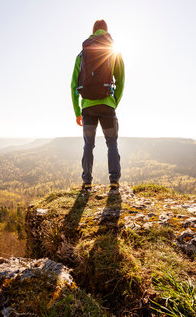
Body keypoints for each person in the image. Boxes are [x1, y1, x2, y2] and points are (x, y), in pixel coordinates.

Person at [71, 19, 125, 190]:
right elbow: (121, 79)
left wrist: (77, 111)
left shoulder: (82, 54)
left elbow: (73, 85)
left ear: (93, 31)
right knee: (111, 142)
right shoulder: (112, 51)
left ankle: (87, 181)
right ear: (106, 31)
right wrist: (114, 101)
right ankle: (114, 180)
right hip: (107, 104)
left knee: (88, 144)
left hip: (87, 107)